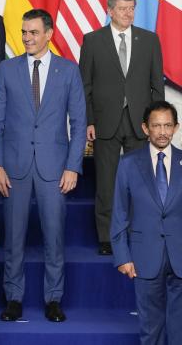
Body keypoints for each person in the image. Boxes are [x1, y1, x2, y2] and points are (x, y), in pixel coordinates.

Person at [0, 9, 86, 323]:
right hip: (13, 167)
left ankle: (53, 300)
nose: (27, 38)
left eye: (33, 32)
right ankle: (13, 298)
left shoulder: (69, 71)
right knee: (13, 237)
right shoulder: (6, 70)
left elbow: (79, 122)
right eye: (24, 32)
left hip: (55, 169)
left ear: (49, 33)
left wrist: (73, 167)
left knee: (54, 237)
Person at [79, 0, 164, 256]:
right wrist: (89, 121)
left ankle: (138, 235)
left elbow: (156, 87)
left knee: (140, 182)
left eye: (132, 8)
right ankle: (107, 237)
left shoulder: (150, 40)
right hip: (105, 123)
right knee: (106, 182)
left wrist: (154, 123)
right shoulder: (92, 41)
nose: (129, 14)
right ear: (110, 11)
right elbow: (85, 86)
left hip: (139, 123)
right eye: (123, 9)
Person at [111, 100, 182, 345]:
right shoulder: (128, 163)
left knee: (180, 331)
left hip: (180, 257)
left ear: (176, 127)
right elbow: (119, 212)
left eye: (168, 125)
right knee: (151, 331)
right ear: (145, 128)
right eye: (157, 126)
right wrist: (122, 256)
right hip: (144, 257)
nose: (162, 131)